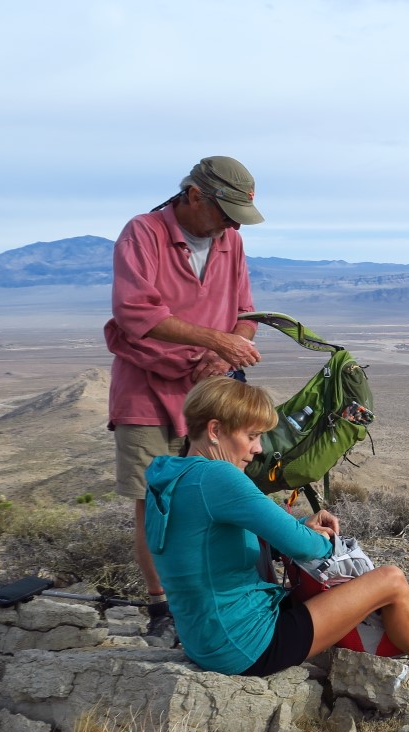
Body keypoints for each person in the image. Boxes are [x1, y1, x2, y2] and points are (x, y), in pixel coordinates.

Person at [143, 377, 409, 692]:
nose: (258, 449)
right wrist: (315, 536)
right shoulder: (217, 477)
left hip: (204, 639)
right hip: (245, 645)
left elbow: (209, 546)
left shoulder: (169, 477)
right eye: (251, 436)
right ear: (216, 430)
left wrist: (296, 528)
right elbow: (304, 547)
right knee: (390, 581)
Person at [105, 156, 266, 638]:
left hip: (210, 389)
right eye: (226, 211)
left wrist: (225, 353)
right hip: (145, 390)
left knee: (222, 491)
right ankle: (162, 609)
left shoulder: (230, 241)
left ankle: (221, 596)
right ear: (194, 195)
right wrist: (215, 342)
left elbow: (246, 314)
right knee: (153, 501)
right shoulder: (143, 234)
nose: (233, 224)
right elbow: (136, 312)